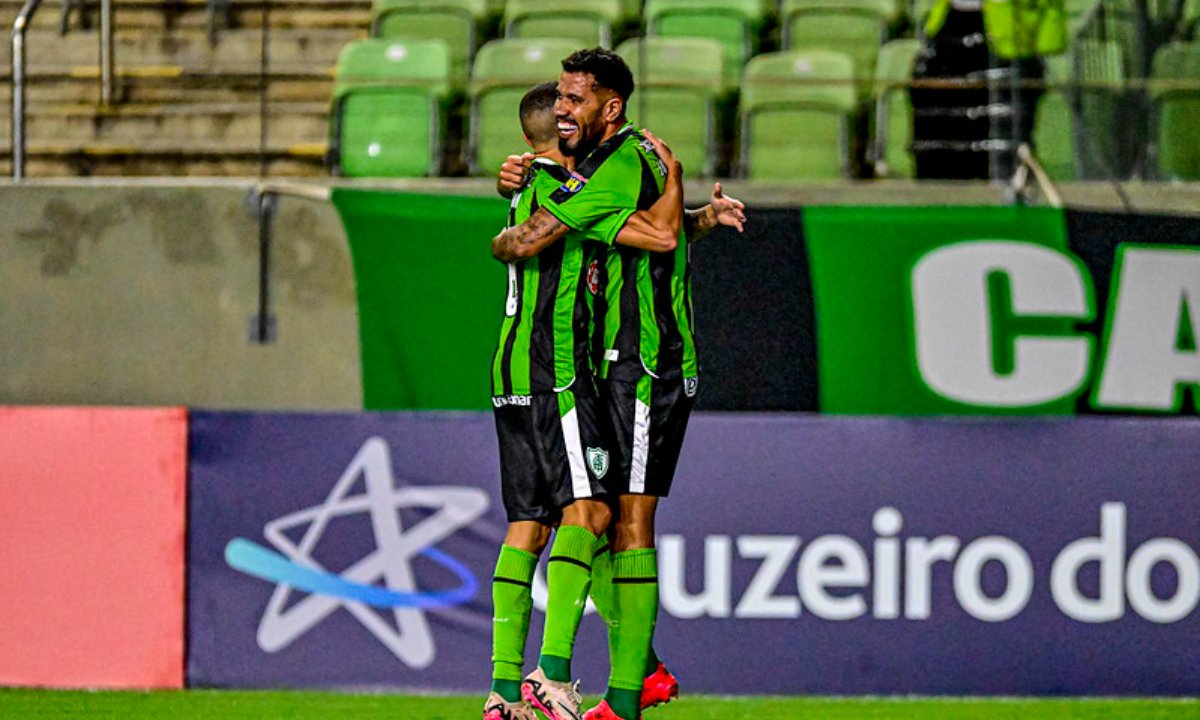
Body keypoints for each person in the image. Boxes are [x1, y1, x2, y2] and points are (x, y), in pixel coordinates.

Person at [491, 48, 745, 720]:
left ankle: (594, 686)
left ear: (612, 106)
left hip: (642, 359)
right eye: (561, 101)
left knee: (622, 520)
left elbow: (544, 237)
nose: (565, 109)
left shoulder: (625, 157)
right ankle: (643, 675)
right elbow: (651, 232)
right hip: (610, 362)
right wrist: (694, 222)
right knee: (605, 520)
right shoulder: (612, 164)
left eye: (576, 100)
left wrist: (523, 204)